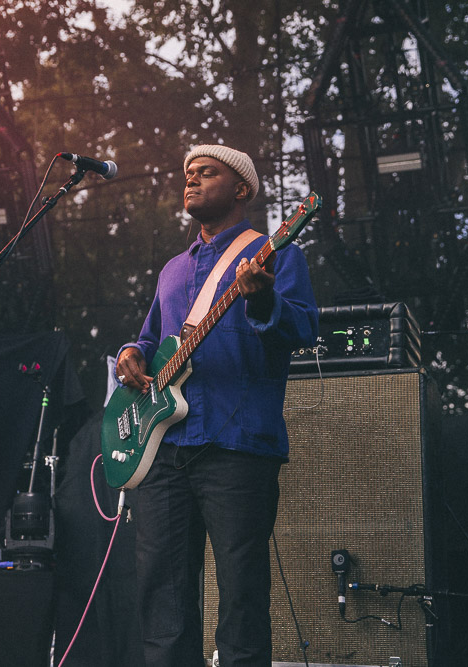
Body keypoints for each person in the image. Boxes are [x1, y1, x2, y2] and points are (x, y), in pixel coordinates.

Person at [114, 144, 318, 666]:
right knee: (162, 597)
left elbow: (303, 329)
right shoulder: (171, 271)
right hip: (164, 451)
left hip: (237, 446)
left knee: (242, 596)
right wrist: (130, 354)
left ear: (241, 189)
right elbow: (150, 339)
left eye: (206, 172)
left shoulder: (275, 253)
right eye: (188, 173)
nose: (192, 180)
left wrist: (263, 299)